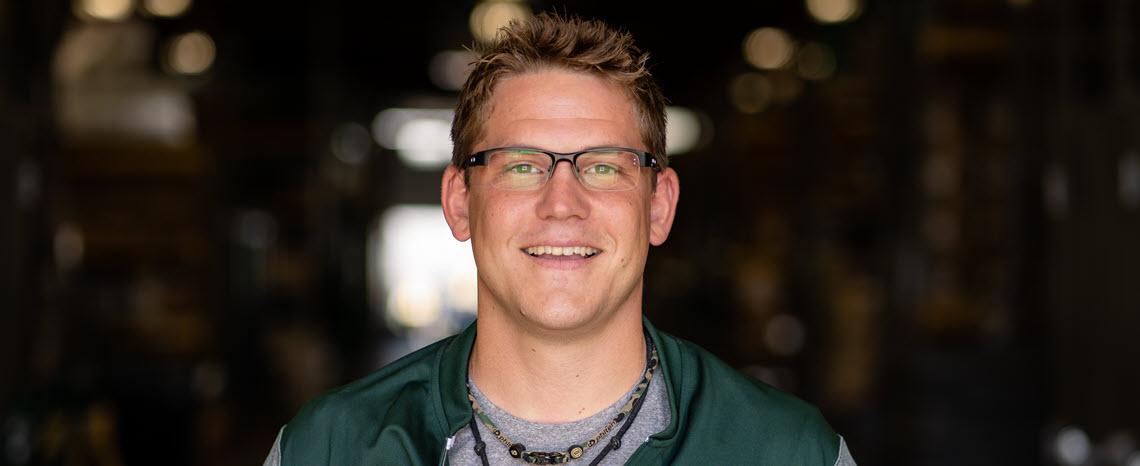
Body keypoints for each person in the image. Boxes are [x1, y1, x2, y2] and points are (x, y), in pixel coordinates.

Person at [264, 13, 856, 466]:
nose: (562, 204)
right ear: (460, 202)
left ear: (659, 205)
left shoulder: (787, 451)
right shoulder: (331, 446)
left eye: (603, 166)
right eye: (522, 165)